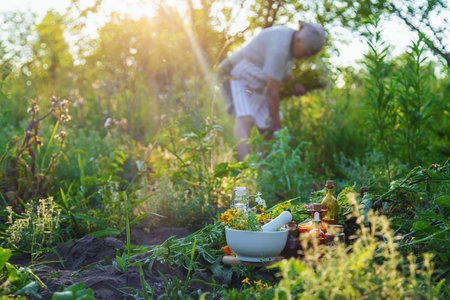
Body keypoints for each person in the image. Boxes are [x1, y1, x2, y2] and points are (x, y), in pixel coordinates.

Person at [218, 21, 326, 161]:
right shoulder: (280, 47)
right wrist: (278, 127)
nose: (305, 58)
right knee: (246, 119)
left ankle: (262, 173)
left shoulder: (290, 45)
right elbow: (271, 93)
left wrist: (294, 85)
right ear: (298, 40)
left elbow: (284, 75)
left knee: (268, 128)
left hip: (258, 84)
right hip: (238, 76)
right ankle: (244, 172)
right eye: (305, 53)